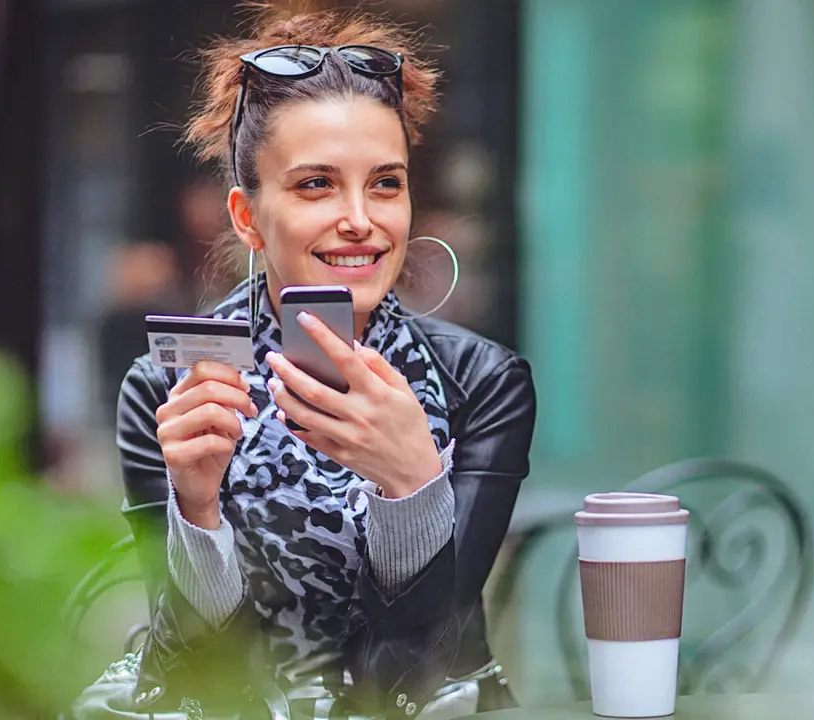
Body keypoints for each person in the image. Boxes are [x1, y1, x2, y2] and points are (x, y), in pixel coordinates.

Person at [72, 4, 536, 719]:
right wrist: (197, 513)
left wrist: (411, 485)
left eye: (386, 183)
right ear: (246, 216)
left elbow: (422, 666)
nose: (361, 217)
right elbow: (191, 669)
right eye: (316, 184)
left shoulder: (482, 385)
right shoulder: (169, 386)